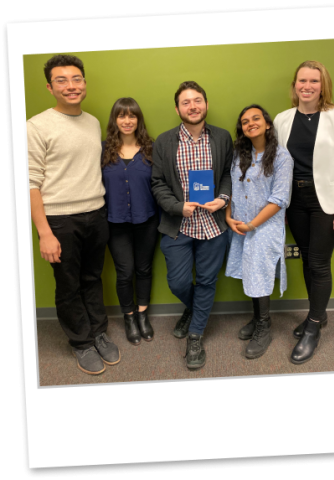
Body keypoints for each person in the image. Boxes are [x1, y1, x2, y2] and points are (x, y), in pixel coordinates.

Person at [27, 54, 120, 375]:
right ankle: (81, 343)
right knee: (68, 286)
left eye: (76, 79)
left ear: (84, 82)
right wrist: (45, 233)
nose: (71, 86)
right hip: (60, 222)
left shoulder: (93, 122)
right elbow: (30, 183)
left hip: (96, 214)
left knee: (92, 279)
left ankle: (99, 332)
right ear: (50, 87)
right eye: (62, 80)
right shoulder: (36, 126)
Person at [274, 60, 334, 364]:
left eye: (314, 81)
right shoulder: (283, 119)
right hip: (294, 199)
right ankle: (318, 314)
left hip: (325, 200)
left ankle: (313, 327)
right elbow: (278, 164)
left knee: (319, 263)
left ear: (322, 85)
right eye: (302, 81)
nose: (307, 86)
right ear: (294, 85)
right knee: (307, 260)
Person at [151, 81, 232, 370]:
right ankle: (194, 308)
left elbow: (226, 174)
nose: (193, 106)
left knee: (208, 281)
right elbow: (157, 183)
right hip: (179, 225)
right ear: (177, 108)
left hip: (213, 225)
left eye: (197, 100)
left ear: (206, 104)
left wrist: (222, 199)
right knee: (178, 282)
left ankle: (195, 335)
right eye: (186, 102)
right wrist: (177, 207)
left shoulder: (222, 138)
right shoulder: (164, 141)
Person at [225, 105, 293, 359]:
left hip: (264, 227)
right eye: (245, 121)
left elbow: (279, 199)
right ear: (242, 129)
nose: (250, 123)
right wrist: (228, 216)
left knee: (259, 273)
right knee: (250, 272)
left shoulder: (282, 158)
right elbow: (232, 186)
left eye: (256, 118)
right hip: (241, 225)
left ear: (267, 124)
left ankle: (264, 326)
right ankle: (257, 318)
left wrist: (253, 224)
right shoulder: (239, 155)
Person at [101, 97, 158, 345]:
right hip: (115, 222)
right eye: (121, 115)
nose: (127, 120)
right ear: (115, 120)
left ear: (138, 119)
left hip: (147, 220)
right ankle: (129, 316)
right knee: (125, 272)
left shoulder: (152, 149)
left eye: (132, 115)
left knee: (144, 269)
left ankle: (143, 315)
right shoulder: (102, 150)